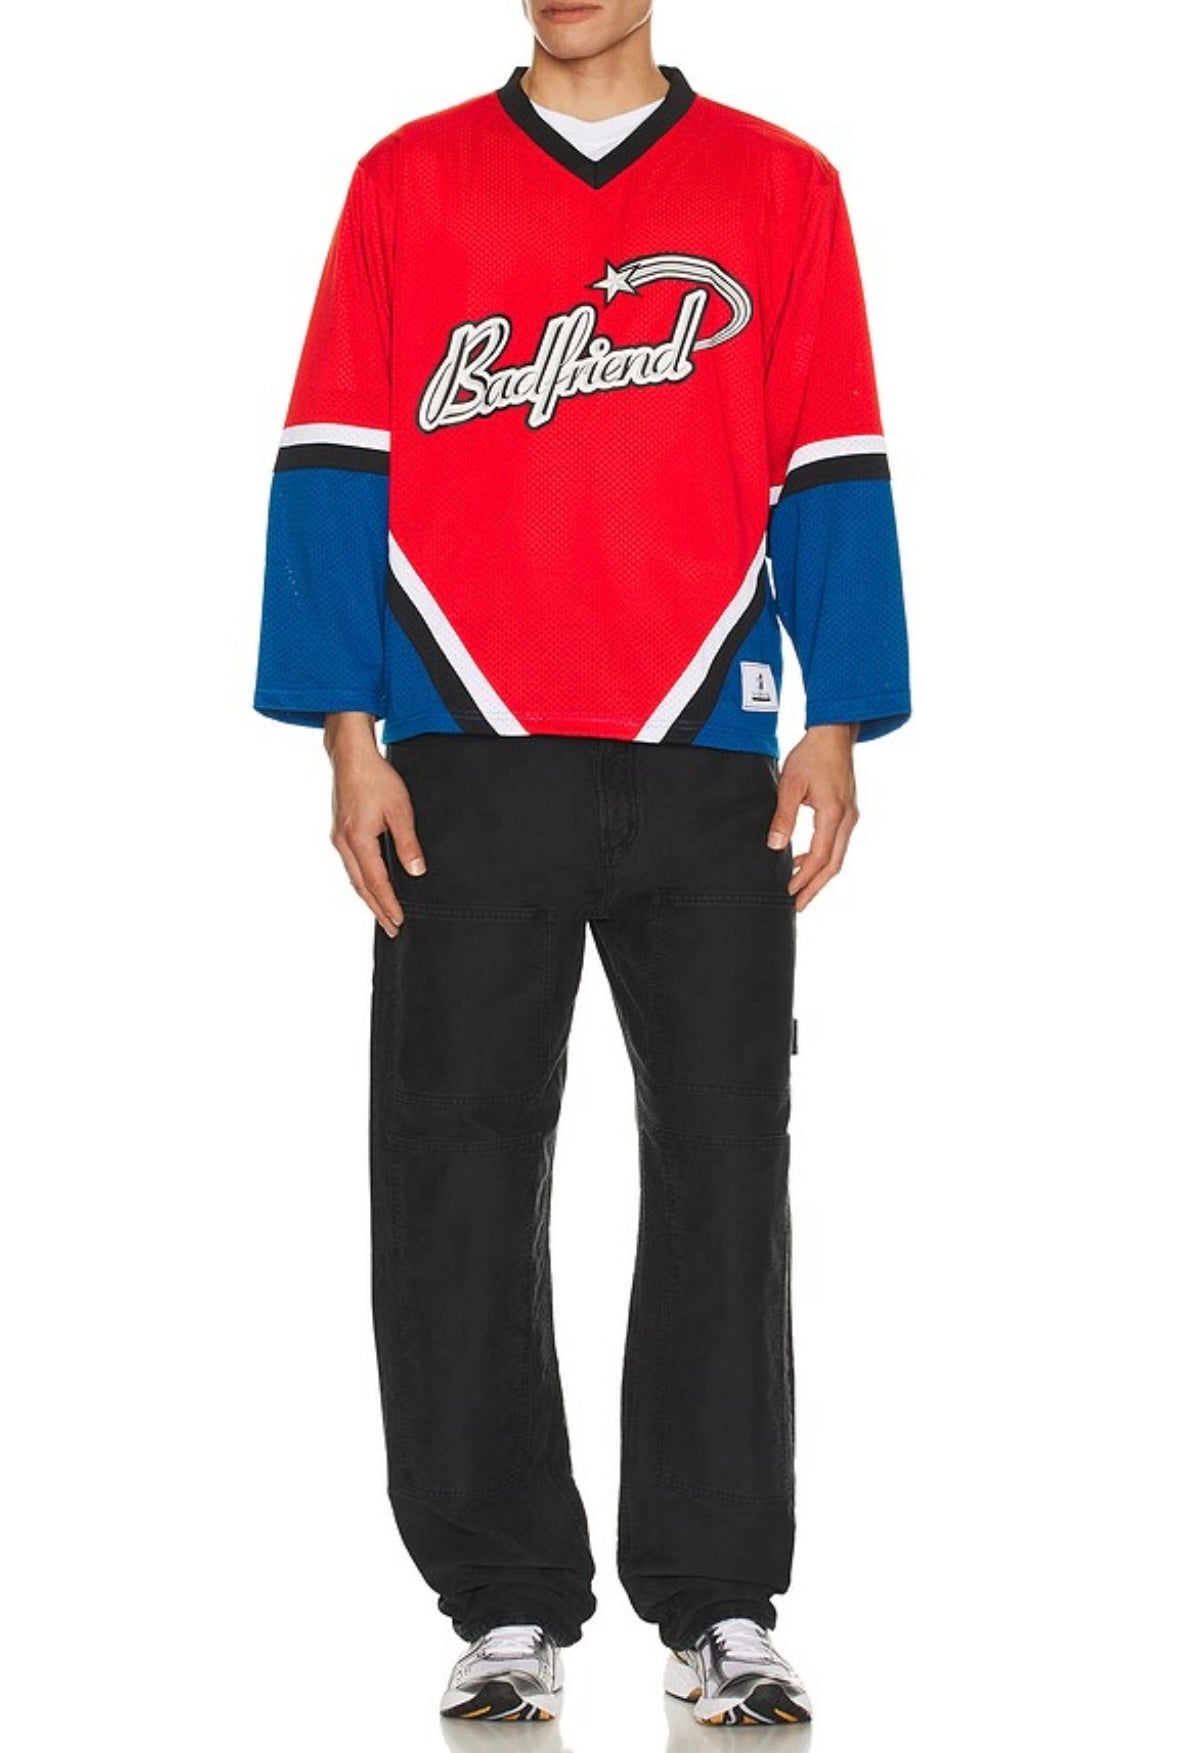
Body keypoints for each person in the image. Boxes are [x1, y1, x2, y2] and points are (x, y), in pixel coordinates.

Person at [253, 0, 910, 1728]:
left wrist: (839, 710)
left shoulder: (780, 187)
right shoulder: (406, 183)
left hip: (708, 749)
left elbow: (830, 450)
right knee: (457, 1170)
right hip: (459, 749)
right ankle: (503, 1601)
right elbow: (333, 457)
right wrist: (348, 735)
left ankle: (719, 1599)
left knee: (723, 1170)